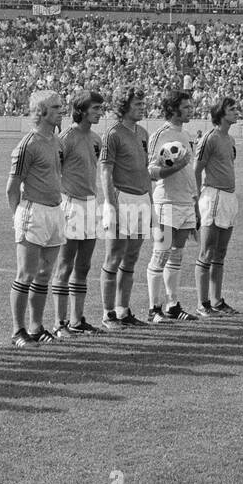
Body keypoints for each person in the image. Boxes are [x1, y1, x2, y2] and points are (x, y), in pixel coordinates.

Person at [7, 90, 65, 345]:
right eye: (55, 107)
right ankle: (17, 331)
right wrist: (18, 215)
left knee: (44, 274)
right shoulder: (28, 144)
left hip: (54, 211)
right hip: (33, 211)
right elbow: (12, 186)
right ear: (41, 112)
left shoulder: (56, 141)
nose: (61, 111)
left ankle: (36, 326)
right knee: (26, 274)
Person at [51, 90, 105, 336]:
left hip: (91, 204)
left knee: (83, 266)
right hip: (71, 204)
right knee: (65, 265)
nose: (99, 113)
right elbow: (54, 172)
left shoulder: (96, 139)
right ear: (81, 110)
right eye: (95, 109)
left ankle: (77, 319)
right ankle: (59, 323)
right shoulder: (66, 138)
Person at [99, 88, 153, 330]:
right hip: (122, 198)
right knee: (113, 257)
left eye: (143, 103)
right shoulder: (112, 134)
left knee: (131, 257)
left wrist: (150, 201)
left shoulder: (143, 133)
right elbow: (105, 171)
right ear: (124, 106)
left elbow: (145, 170)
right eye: (138, 103)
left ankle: (123, 310)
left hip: (142, 199)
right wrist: (111, 204)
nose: (142, 107)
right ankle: (108, 313)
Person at [146, 89, 201, 322]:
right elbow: (151, 171)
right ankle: (153, 309)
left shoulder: (186, 134)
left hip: (186, 202)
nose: (191, 110)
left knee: (177, 254)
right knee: (161, 253)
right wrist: (176, 167)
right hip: (167, 203)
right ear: (174, 109)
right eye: (187, 107)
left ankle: (173, 305)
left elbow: (189, 170)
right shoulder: (161, 134)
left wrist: (195, 201)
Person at [194, 95, 241, 315]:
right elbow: (197, 169)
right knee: (207, 251)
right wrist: (195, 201)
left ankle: (217, 300)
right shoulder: (210, 138)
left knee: (220, 252)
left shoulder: (230, 139)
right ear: (221, 113)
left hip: (229, 198)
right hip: (213, 197)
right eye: (232, 109)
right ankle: (202, 303)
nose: (236, 112)